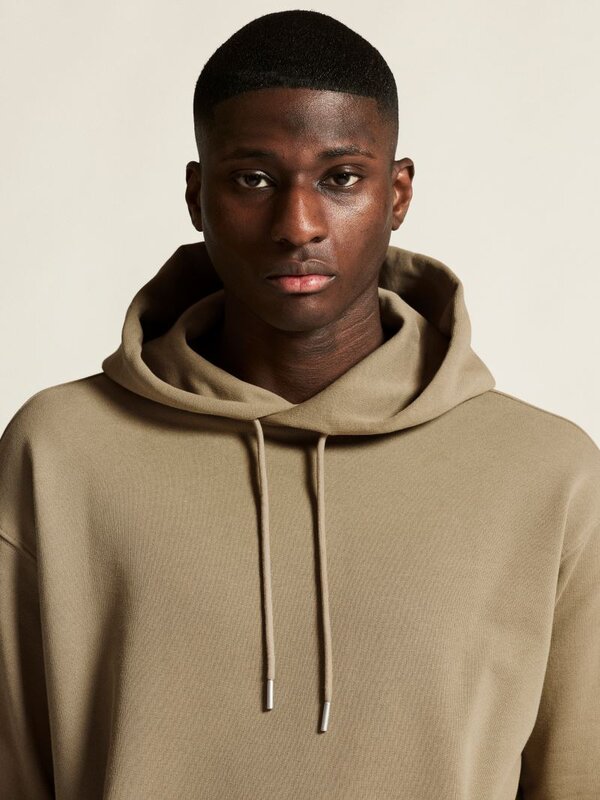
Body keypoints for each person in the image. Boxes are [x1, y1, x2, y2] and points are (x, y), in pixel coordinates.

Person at [1, 9, 598, 799]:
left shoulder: (545, 472)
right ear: (197, 194)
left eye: (341, 177)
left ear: (398, 192)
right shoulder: (61, 450)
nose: (298, 225)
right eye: (253, 179)